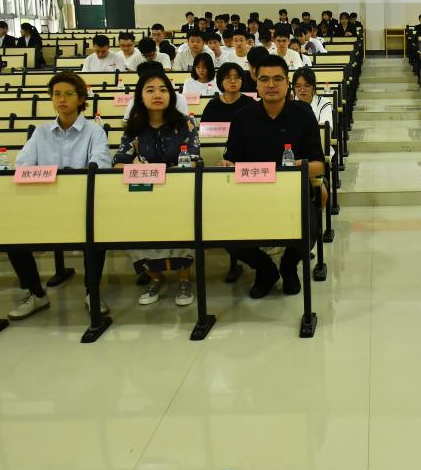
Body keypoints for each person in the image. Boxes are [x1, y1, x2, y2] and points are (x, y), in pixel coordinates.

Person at [7, 72, 112, 320]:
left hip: (81, 204)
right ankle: (36, 293)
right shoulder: (41, 132)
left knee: (96, 231)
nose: (62, 99)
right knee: (10, 235)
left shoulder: (94, 132)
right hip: (43, 203)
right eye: (56, 94)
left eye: (68, 94)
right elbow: (23, 166)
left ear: (81, 98)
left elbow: (100, 166)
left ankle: (92, 291)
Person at [221, 55, 325, 298]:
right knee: (224, 234)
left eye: (278, 79)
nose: (271, 85)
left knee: (310, 230)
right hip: (249, 194)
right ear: (255, 83)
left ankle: (289, 266)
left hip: (293, 193)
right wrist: (226, 165)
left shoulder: (303, 114)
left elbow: (319, 165)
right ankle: (265, 270)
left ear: (287, 83)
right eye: (264, 79)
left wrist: (300, 167)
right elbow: (231, 160)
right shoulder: (242, 117)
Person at [113, 72, 200, 306]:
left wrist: (165, 174)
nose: (157, 94)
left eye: (163, 90)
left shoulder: (185, 124)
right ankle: (155, 277)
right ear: (140, 96)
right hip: (143, 191)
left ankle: (184, 279)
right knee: (131, 223)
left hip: (178, 191)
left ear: (170, 95)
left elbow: (193, 159)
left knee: (185, 220)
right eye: (150, 90)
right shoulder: (133, 128)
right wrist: (133, 167)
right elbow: (119, 162)